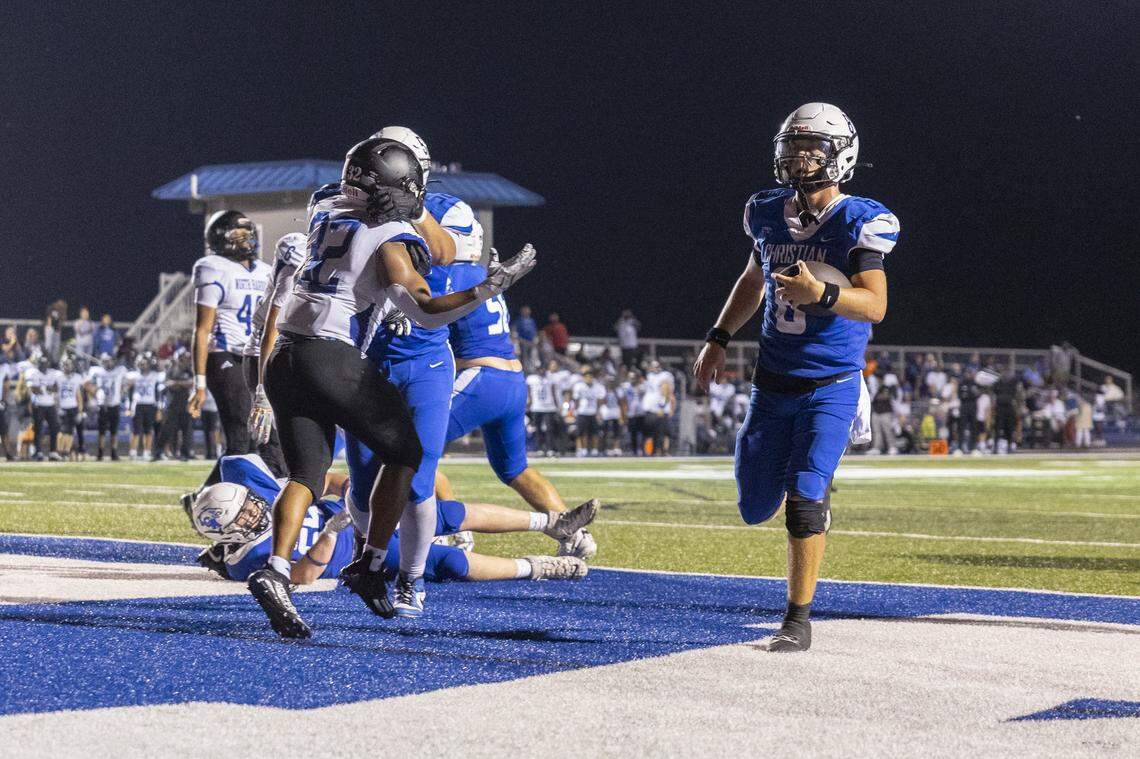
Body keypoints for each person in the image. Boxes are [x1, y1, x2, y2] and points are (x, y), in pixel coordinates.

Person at [246, 136, 535, 638]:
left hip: (285, 361)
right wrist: (490, 287)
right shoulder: (392, 232)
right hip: (330, 355)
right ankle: (371, 564)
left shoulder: (325, 209)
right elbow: (422, 306)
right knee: (406, 453)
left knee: (307, 477)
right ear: (405, 186)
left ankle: (275, 569)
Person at [693, 102, 899, 652]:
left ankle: (797, 618)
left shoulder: (860, 219)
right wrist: (718, 337)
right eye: (794, 146)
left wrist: (823, 294)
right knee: (754, 505)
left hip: (832, 382)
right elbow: (752, 277)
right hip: (772, 381)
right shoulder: (763, 211)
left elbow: (875, 306)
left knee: (805, 497)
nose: (800, 157)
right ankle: (807, 474)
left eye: (813, 147)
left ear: (841, 156)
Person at [432, 222, 598, 557]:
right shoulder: (480, 274)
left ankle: (447, 529)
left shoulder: (447, 275)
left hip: (480, 379)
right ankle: (573, 536)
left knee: (408, 445)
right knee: (515, 468)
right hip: (511, 380)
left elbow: (425, 317)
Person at [187, 453, 589, 586]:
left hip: (356, 514)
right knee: (443, 563)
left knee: (442, 513)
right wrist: (331, 531)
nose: (257, 509)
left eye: (251, 503)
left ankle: (551, 523)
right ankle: (537, 567)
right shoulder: (248, 562)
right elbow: (302, 577)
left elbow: (320, 479)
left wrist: (349, 488)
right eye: (245, 513)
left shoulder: (264, 495)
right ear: (228, 532)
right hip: (353, 554)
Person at [186, 210, 273, 478]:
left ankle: (211, 498)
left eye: (248, 233)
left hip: (255, 359)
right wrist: (199, 384)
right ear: (220, 237)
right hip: (225, 356)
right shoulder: (212, 266)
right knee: (240, 439)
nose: (246, 240)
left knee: (260, 440)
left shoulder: (268, 271)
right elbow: (202, 330)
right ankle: (212, 502)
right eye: (238, 234)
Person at [241, 231, 306, 476]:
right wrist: (262, 392)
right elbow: (271, 331)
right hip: (266, 359)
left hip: (289, 358)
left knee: (301, 447)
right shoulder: (292, 275)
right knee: (275, 448)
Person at [87, 353, 128, 461]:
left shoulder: (120, 370)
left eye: (109, 361)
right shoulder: (97, 371)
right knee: (102, 431)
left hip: (114, 404)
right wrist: (94, 393)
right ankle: (100, 452)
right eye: (106, 361)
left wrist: (123, 390)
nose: (108, 363)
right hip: (102, 405)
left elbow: (126, 383)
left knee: (114, 431)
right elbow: (87, 384)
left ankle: (114, 452)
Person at [156, 350, 194, 461]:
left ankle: (184, 454)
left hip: (185, 404)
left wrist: (176, 383)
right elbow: (167, 384)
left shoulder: (189, 370)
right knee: (167, 429)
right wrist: (182, 384)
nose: (184, 360)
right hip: (171, 404)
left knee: (186, 431)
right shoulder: (171, 369)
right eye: (182, 358)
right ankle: (158, 452)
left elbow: (192, 383)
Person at [24, 354, 62, 461]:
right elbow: (34, 389)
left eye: (45, 363)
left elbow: (56, 388)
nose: (43, 366)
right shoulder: (33, 373)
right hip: (38, 404)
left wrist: (47, 388)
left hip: (50, 404)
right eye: (41, 364)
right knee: (38, 429)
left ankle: (53, 452)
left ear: (48, 364)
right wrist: (46, 387)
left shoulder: (53, 373)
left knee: (54, 427)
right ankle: (38, 452)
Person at [126, 353, 163, 461]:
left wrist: (159, 408)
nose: (143, 366)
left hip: (150, 404)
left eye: (145, 363)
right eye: (141, 363)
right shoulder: (133, 375)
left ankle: (147, 452)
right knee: (136, 430)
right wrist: (129, 407)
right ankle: (132, 451)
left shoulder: (155, 375)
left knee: (148, 430)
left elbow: (158, 393)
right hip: (137, 405)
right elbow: (129, 392)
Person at [56, 356, 86, 459]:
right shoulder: (58, 377)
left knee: (70, 431)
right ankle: (59, 452)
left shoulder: (77, 377)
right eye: (65, 365)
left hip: (73, 407)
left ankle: (66, 452)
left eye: (68, 365)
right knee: (62, 431)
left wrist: (80, 411)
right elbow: (54, 392)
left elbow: (79, 395)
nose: (67, 367)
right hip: (63, 407)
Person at [571, 367, 605, 457]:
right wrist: (575, 411)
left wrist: (598, 412)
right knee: (581, 432)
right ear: (584, 377)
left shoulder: (597, 387)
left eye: (590, 376)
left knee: (594, 433)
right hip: (582, 412)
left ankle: (594, 449)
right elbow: (576, 400)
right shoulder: (579, 386)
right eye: (587, 377)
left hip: (593, 412)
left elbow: (600, 400)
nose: (589, 378)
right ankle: (582, 449)